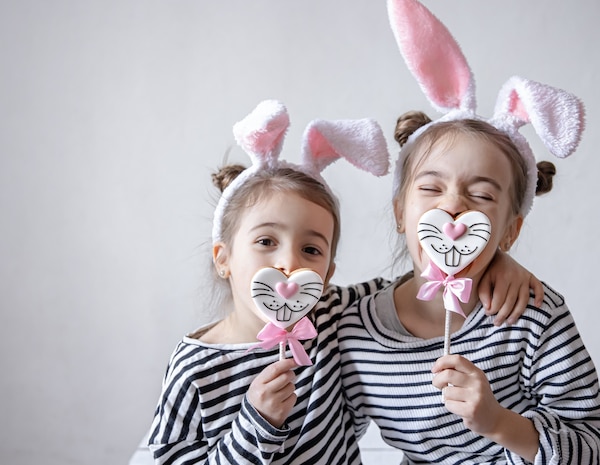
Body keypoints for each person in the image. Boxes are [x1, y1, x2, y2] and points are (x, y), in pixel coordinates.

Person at [146, 100, 544, 465]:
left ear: (329, 273)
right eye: (266, 241)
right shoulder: (194, 369)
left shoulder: (330, 315)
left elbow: (422, 284)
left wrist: (494, 260)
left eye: (312, 250)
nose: (289, 263)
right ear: (224, 258)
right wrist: (255, 423)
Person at [338, 1, 600, 463]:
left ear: (510, 232)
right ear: (400, 213)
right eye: (431, 188)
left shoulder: (534, 316)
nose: (453, 206)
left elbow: (597, 450)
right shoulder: (353, 324)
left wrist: (498, 423)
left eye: (483, 196)